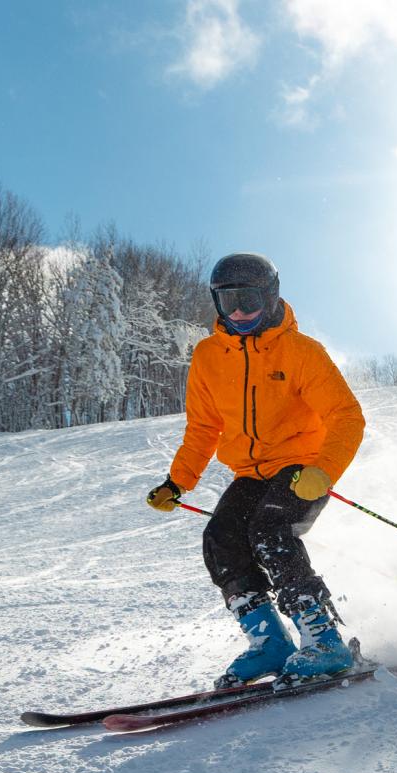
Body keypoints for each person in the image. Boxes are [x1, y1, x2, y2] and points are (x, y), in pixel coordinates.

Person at [146, 253, 366, 688]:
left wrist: (324, 470)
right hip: (250, 471)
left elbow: (346, 416)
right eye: (228, 302)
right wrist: (178, 482)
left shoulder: (301, 351)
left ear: (271, 296)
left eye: (248, 300)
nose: (240, 312)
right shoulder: (209, 356)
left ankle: (325, 640)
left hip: (302, 469)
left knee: (270, 528)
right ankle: (270, 643)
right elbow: (203, 428)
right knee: (221, 537)